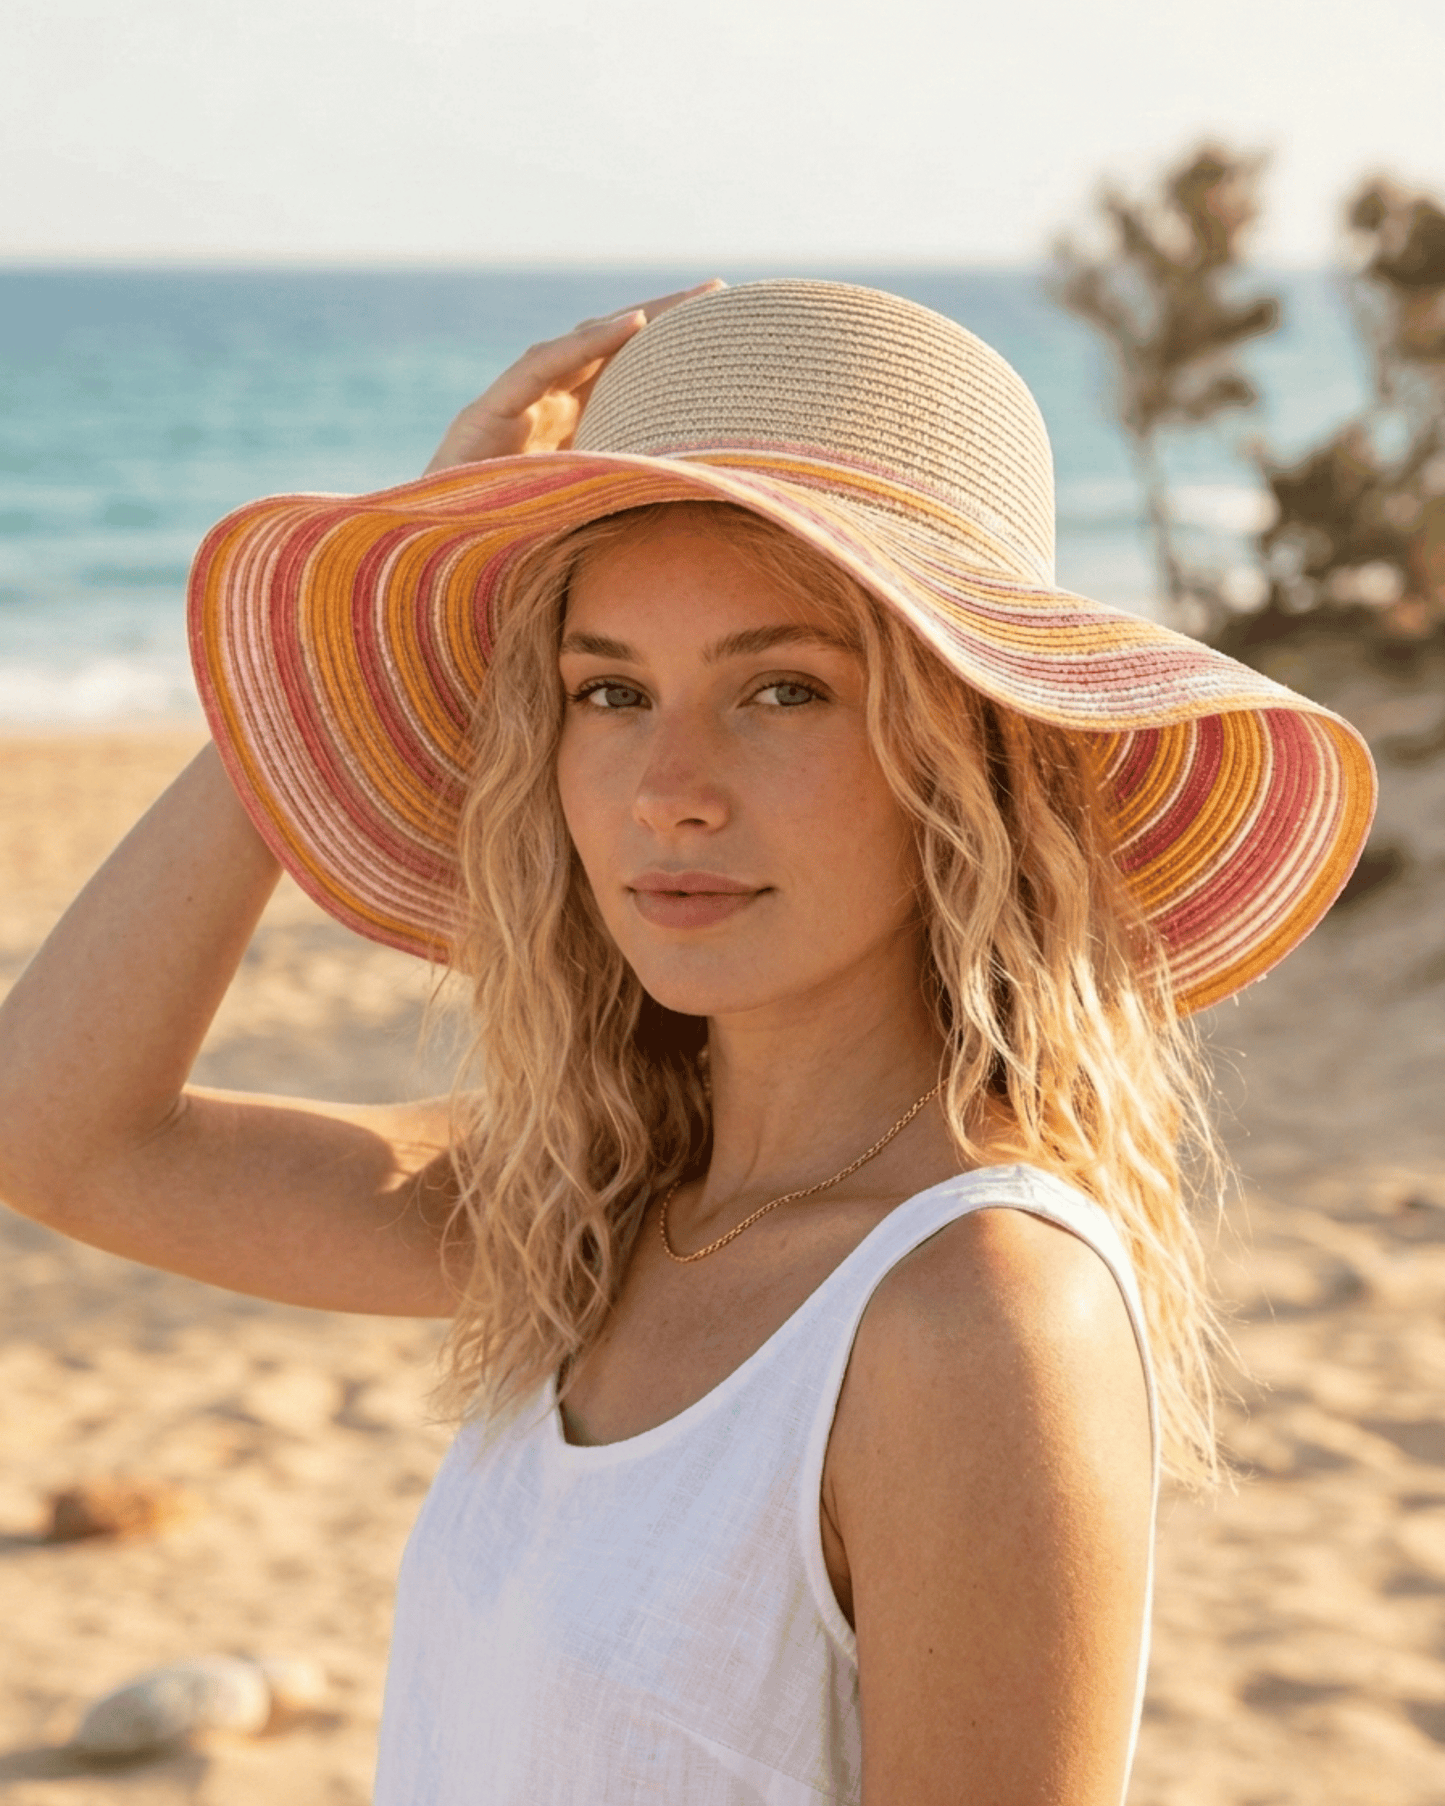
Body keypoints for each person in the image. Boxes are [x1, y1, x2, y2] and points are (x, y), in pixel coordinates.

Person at [0, 278, 1376, 1804]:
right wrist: (346, 644)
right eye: (610, 690)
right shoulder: (593, 1206)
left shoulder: (976, 1317)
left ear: (971, 751)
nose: (669, 788)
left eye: (781, 688)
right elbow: (58, 1130)